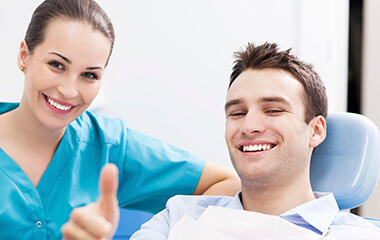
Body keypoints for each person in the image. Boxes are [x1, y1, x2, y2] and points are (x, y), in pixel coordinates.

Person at [0, 0, 241, 239]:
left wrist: (158, 231)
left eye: (89, 75)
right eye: (56, 65)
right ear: (24, 55)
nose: (69, 91)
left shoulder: (111, 146)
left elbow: (227, 183)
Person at [130, 42, 380, 239]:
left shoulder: (357, 236)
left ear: (315, 131)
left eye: (273, 110)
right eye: (237, 113)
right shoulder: (178, 218)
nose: (249, 127)